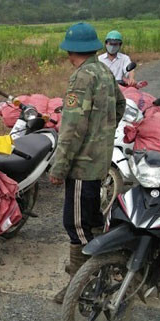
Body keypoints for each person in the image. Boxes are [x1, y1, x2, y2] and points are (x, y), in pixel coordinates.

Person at [48, 22, 126, 303]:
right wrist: (104, 133)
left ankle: (84, 283)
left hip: (82, 164)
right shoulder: (104, 71)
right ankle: (86, 279)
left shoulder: (81, 78)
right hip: (99, 161)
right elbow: (121, 104)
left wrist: (59, 167)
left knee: (77, 225)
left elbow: (71, 128)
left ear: (71, 50)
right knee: (91, 221)